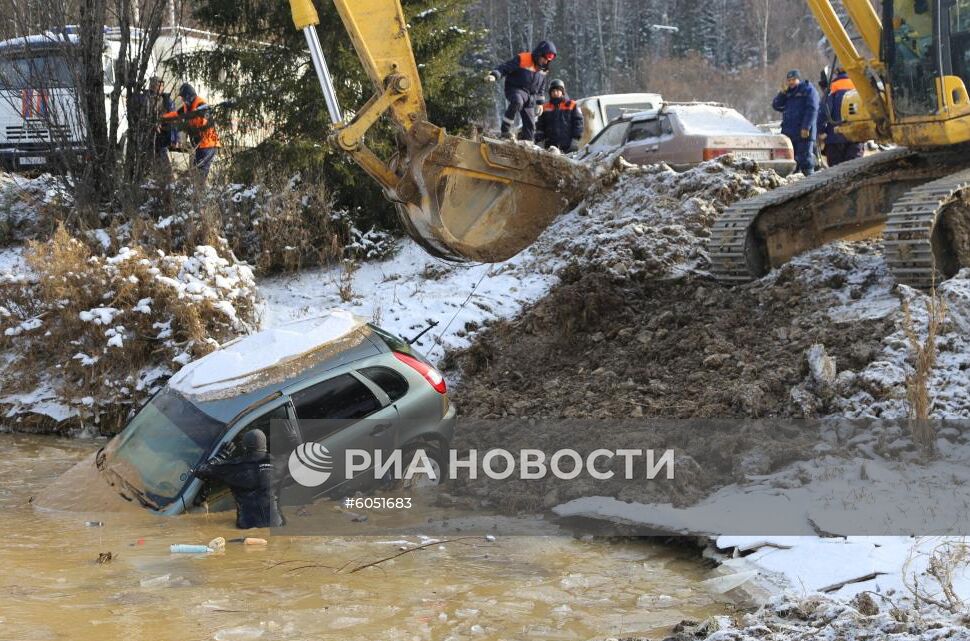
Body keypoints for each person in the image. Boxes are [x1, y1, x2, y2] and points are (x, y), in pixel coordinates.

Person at [193, 429, 284, 529]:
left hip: (247, 526)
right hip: (277, 524)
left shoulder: (233, 467)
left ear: (244, 447)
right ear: (265, 445)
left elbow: (199, 471)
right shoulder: (280, 464)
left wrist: (221, 455)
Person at [486, 40, 557, 141]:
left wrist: (540, 103)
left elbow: (541, 87)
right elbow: (506, 67)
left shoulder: (544, 69)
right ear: (539, 54)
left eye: (548, 61)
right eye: (544, 59)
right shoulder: (523, 58)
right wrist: (495, 74)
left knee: (531, 126)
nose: (546, 62)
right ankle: (505, 132)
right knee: (517, 101)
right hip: (515, 88)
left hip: (530, 97)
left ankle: (527, 144)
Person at [162, 83, 221, 182]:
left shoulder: (201, 105)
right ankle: (196, 194)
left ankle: (198, 195)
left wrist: (189, 122)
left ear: (189, 95)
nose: (183, 100)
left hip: (208, 145)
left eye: (184, 97)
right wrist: (163, 118)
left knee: (200, 173)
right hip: (200, 146)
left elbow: (204, 122)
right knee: (195, 172)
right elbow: (176, 114)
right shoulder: (186, 107)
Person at [772, 69, 820, 176]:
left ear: (799, 79)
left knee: (805, 160)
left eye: (793, 80)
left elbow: (812, 109)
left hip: (804, 133)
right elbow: (776, 105)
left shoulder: (808, 90)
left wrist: (806, 127)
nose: (791, 82)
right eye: (789, 80)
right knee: (793, 162)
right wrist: (782, 93)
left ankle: (811, 181)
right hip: (789, 133)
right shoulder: (788, 93)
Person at [817, 69, 865, 167]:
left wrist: (821, 131)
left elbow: (824, 112)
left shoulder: (832, 88)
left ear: (837, 75)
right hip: (856, 136)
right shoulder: (860, 87)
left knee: (836, 171)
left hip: (835, 138)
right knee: (854, 170)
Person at [535, 79, 584, 152]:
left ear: (562, 92)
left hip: (569, 146)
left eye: (558, 90)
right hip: (550, 147)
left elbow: (578, 123)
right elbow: (540, 126)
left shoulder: (572, 104)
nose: (555, 93)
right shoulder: (545, 107)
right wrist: (539, 141)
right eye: (553, 91)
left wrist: (575, 140)